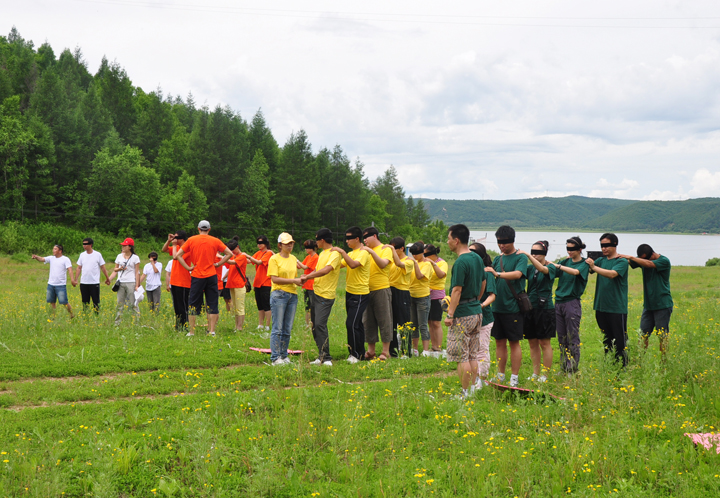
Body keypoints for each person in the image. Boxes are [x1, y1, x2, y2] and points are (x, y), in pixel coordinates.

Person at [444, 224, 486, 399]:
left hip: (462, 314)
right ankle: (473, 389)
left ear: (456, 240)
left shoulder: (461, 262)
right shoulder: (477, 258)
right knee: (472, 354)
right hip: (476, 311)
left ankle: (465, 392)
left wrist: (450, 314)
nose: (447, 242)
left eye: (448, 239)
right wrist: (476, 300)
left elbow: (457, 290)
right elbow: (483, 282)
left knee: (462, 357)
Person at [484, 225, 527, 387]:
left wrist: (498, 273)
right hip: (497, 307)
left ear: (512, 241)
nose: (502, 245)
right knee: (499, 342)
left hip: (513, 308)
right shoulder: (498, 259)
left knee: (514, 342)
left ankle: (514, 377)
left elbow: (518, 274)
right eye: (499, 242)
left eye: (505, 242)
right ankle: (500, 375)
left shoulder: (520, 257)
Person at [174, 220, 232, 337]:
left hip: (197, 275)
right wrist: (218, 264)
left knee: (193, 303)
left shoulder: (191, 240)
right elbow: (229, 253)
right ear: (209, 229)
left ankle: (191, 332)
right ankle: (212, 331)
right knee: (212, 303)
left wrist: (188, 267)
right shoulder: (215, 240)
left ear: (198, 229)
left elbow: (177, 255)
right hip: (211, 275)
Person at [619, 244, 673, 355]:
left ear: (652, 254)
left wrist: (632, 257)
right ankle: (640, 360)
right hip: (648, 306)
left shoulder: (664, 261)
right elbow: (629, 262)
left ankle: (664, 362)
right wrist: (617, 257)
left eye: (645, 259)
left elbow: (649, 264)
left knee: (662, 336)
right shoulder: (643, 260)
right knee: (643, 334)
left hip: (662, 305)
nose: (643, 261)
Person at [586, 233, 629, 367]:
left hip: (616, 307)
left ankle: (622, 366)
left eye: (607, 245)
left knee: (619, 339)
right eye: (602, 245)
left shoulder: (621, 261)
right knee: (607, 338)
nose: (604, 248)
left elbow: (612, 274)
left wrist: (594, 267)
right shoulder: (601, 260)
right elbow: (588, 269)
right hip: (601, 306)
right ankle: (609, 363)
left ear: (615, 244)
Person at [301, 228, 343, 365]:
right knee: (314, 325)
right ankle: (321, 356)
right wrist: (306, 276)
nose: (316, 243)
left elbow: (326, 270)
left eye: (317, 240)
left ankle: (327, 358)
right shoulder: (322, 253)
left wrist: (308, 276)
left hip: (326, 295)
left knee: (320, 324)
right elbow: (317, 269)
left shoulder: (334, 254)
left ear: (322, 240)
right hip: (316, 292)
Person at [519, 241, 557, 383]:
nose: (534, 254)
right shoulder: (529, 269)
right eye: (532, 252)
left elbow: (542, 270)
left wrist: (528, 256)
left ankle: (545, 375)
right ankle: (535, 373)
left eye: (537, 252)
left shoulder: (551, 267)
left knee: (544, 343)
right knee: (532, 342)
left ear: (545, 253)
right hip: (530, 308)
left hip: (545, 308)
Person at [332, 226, 372, 362]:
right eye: (346, 238)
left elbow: (354, 265)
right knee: (357, 324)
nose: (347, 241)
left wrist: (342, 252)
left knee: (351, 324)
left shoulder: (363, 252)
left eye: (349, 238)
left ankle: (354, 355)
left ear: (357, 238)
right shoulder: (351, 253)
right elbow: (339, 265)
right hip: (350, 292)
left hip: (360, 293)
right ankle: (360, 353)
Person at [554, 237, 590, 374]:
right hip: (559, 301)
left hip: (572, 302)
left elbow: (575, 272)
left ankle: (572, 368)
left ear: (580, 249)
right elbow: (551, 271)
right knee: (561, 337)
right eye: (567, 248)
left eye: (572, 249)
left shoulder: (584, 263)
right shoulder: (565, 261)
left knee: (572, 336)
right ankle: (564, 367)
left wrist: (558, 266)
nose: (569, 251)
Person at [267, 233, 303, 365]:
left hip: (292, 295)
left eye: (291, 243)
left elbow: (294, 276)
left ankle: (283, 355)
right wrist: (294, 280)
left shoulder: (293, 258)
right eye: (287, 243)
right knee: (278, 328)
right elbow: (275, 279)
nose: (290, 246)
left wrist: (299, 280)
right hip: (279, 294)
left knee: (287, 328)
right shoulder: (274, 259)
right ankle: (275, 357)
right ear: (280, 245)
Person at [361, 227, 393, 361]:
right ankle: (371, 351)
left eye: (366, 237)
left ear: (374, 236)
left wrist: (371, 252)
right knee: (368, 321)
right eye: (363, 238)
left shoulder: (385, 249)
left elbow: (383, 264)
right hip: (366, 289)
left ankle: (386, 351)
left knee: (384, 320)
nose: (364, 240)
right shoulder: (365, 251)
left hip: (381, 288)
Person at [469, 243, 496, 390]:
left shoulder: (487, 272)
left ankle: (482, 379)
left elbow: (492, 295)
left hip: (484, 317)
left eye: (473, 251)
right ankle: (472, 378)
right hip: (469, 316)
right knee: (470, 350)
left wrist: (481, 306)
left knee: (482, 348)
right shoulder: (469, 271)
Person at [386, 237, 414, 357]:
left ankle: (406, 351)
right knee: (391, 322)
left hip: (402, 292)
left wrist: (391, 249)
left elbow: (399, 264)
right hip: (390, 290)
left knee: (404, 322)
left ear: (402, 248)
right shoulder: (390, 261)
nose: (392, 251)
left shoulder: (409, 261)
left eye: (394, 248)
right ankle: (392, 351)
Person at [32, 245, 75, 318]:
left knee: (64, 302)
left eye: (55, 249)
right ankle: (53, 316)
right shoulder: (51, 258)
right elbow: (42, 259)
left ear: (60, 251)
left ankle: (72, 314)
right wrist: (36, 257)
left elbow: (70, 270)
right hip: (51, 284)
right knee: (52, 302)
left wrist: (72, 280)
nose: (53, 250)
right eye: (53, 249)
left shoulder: (65, 259)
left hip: (60, 285)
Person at [162, 230, 192, 332]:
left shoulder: (187, 249)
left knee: (183, 305)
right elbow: (164, 249)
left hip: (183, 282)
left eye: (176, 238)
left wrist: (174, 246)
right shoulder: (177, 247)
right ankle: (178, 325)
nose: (174, 239)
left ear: (181, 239)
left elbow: (176, 257)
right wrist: (168, 241)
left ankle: (185, 325)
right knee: (177, 306)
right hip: (174, 281)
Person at [408, 241, 433, 356]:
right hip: (411, 295)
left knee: (423, 324)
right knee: (413, 324)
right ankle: (415, 349)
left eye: (416, 254)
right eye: (412, 254)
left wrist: (415, 263)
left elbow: (419, 276)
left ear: (422, 252)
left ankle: (426, 350)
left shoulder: (427, 264)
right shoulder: (413, 262)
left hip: (423, 297)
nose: (414, 256)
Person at [109, 238, 141, 325]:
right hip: (121, 282)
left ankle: (136, 322)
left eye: (124, 246)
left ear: (130, 247)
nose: (122, 247)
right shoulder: (119, 256)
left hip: (131, 282)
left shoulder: (135, 258)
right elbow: (115, 269)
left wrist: (137, 285)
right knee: (120, 303)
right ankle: (117, 322)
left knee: (133, 303)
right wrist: (120, 268)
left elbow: (137, 272)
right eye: (122, 245)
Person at [74, 237, 110, 314]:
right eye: (83, 244)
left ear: (90, 245)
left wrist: (107, 278)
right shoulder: (82, 255)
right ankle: (86, 315)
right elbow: (79, 267)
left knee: (96, 301)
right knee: (85, 301)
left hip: (94, 282)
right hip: (84, 282)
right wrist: (76, 279)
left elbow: (102, 267)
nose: (84, 245)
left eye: (86, 244)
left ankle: (96, 315)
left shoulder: (97, 255)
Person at [425, 244, 448, 356]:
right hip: (426, 295)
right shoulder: (425, 263)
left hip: (437, 296)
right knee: (430, 322)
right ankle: (433, 346)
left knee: (436, 322)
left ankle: (438, 347)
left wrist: (433, 264)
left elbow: (441, 275)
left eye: (425, 254)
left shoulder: (442, 263)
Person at [247, 235, 274, 332]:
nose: (259, 245)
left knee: (266, 305)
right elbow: (249, 261)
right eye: (258, 243)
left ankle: (267, 325)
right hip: (258, 282)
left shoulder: (268, 253)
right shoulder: (258, 253)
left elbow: (259, 262)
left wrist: (248, 256)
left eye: (261, 243)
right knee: (260, 305)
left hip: (265, 282)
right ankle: (260, 324)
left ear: (266, 243)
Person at [225, 236, 248, 332]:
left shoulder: (242, 256)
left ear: (237, 247)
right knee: (235, 307)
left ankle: (240, 327)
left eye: (232, 249)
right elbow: (228, 266)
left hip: (239, 285)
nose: (232, 252)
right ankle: (236, 326)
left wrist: (222, 257)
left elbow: (231, 262)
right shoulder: (234, 255)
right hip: (232, 284)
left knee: (240, 307)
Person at [297, 240, 319, 328]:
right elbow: (300, 266)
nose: (306, 249)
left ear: (312, 248)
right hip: (306, 285)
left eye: (307, 247)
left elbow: (305, 267)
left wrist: (296, 260)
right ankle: (307, 323)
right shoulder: (308, 257)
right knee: (307, 305)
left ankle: (312, 323)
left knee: (312, 305)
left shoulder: (315, 257)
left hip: (312, 285)